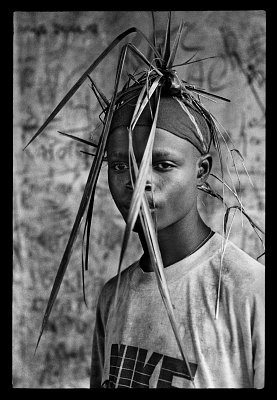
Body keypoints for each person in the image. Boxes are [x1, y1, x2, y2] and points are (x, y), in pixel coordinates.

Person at [89, 90, 265, 389]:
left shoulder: (250, 291)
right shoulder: (113, 296)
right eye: (120, 166)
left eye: (161, 165)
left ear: (201, 171)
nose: (138, 182)